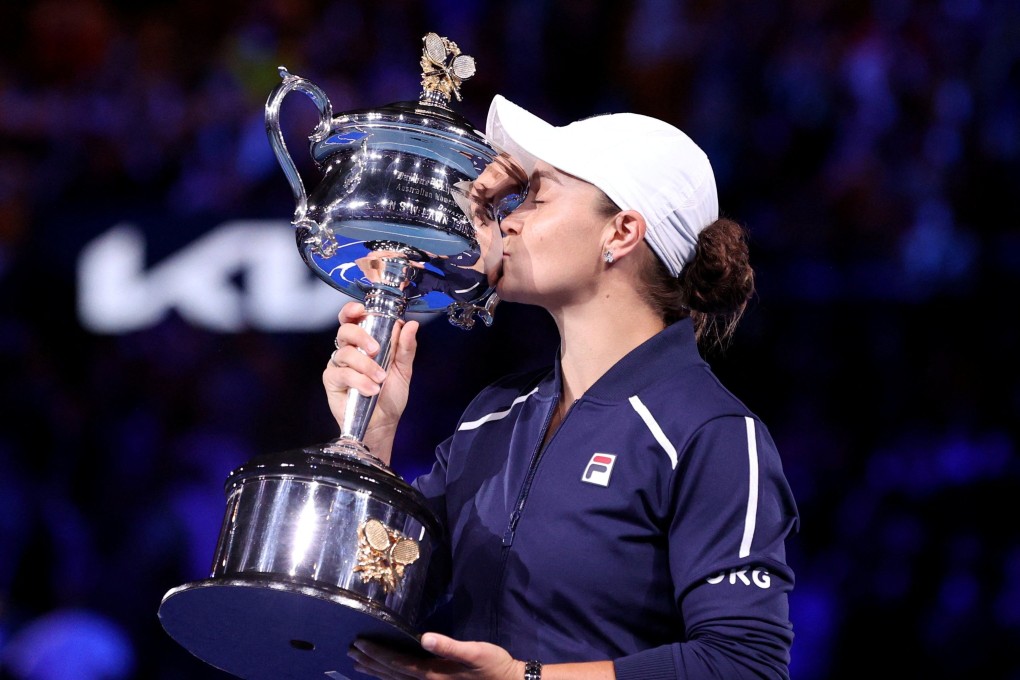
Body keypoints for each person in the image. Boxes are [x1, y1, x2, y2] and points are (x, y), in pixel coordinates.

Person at [324, 94, 800, 680]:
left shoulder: (712, 433)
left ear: (621, 232)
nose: (511, 219)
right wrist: (372, 436)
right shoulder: (491, 417)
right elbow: (374, 602)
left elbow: (744, 664)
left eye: (538, 196)